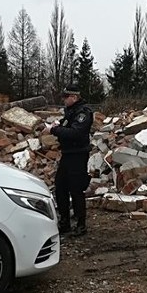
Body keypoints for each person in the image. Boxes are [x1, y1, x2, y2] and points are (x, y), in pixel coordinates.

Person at [45, 84, 94, 236]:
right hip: (67, 154)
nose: (64, 100)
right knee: (60, 188)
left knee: (76, 190)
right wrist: (57, 125)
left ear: (74, 97)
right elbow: (66, 125)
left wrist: (53, 130)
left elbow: (76, 133)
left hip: (78, 155)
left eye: (66, 97)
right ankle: (64, 222)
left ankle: (81, 225)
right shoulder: (71, 112)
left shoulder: (83, 112)